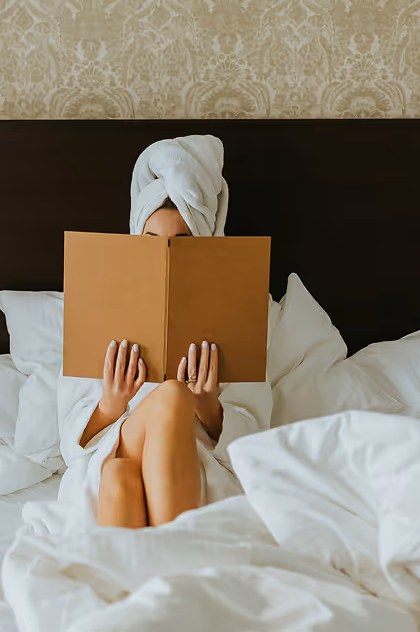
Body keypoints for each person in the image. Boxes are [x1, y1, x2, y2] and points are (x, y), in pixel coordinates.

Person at [49, 135, 273, 531]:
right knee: (169, 397)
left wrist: (207, 405)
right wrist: (110, 404)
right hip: (116, 444)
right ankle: (177, 555)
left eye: (182, 245)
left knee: (119, 481)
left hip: (189, 465)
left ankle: (137, 579)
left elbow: (256, 440)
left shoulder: (240, 307)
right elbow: (71, 445)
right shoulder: (98, 302)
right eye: (152, 244)